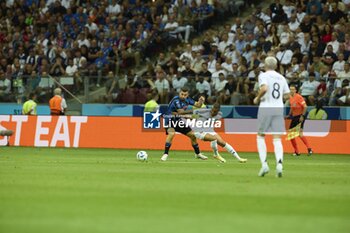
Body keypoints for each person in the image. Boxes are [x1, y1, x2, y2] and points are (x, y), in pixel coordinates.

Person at [253, 56, 290, 178]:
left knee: (260, 136)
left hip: (266, 107)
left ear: (265, 65)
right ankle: (279, 164)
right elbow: (287, 95)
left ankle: (264, 164)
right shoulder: (281, 77)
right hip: (279, 108)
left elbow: (264, 88)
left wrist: (257, 98)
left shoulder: (263, 75)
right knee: (277, 138)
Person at [161, 87, 207, 161]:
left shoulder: (188, 99)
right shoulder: (176, 100)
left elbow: (198, 105)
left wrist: (201, 101)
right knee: (172, 133)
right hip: (169, 120)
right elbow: (181, 112)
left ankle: (198, 154)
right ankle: (165, 154)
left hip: (178, 120)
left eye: (185, 95)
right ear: (179, 93)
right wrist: (191, 112)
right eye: (182, 94)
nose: (183, 96)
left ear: (187, 94)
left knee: (193, 135)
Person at [287, 85, 313, 156]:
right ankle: (298, 151)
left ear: (296, 90)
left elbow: (305, 107)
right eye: (290, 89)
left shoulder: (299, 97)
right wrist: (289, 115)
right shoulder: (290, 97)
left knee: (299, 133)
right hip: (294, 117)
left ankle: (307, 149)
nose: (291, 91)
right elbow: (292, 107)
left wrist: (302, 116)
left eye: (293, 89)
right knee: (291, 135)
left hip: (300, 116)